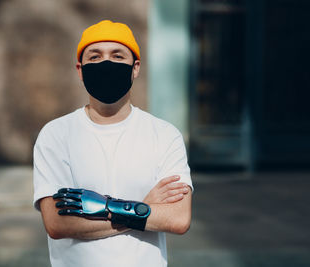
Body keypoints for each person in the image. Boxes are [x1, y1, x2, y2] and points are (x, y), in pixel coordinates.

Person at [33, 20, 193, 267]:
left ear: (135, 67)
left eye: (117, 56)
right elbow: (57, 223)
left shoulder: (164, 134)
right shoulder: (55, 135)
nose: (106, 64)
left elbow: (178, 219)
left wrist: (100, 207)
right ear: (80, 69)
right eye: (94, 57)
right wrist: (143, 208)